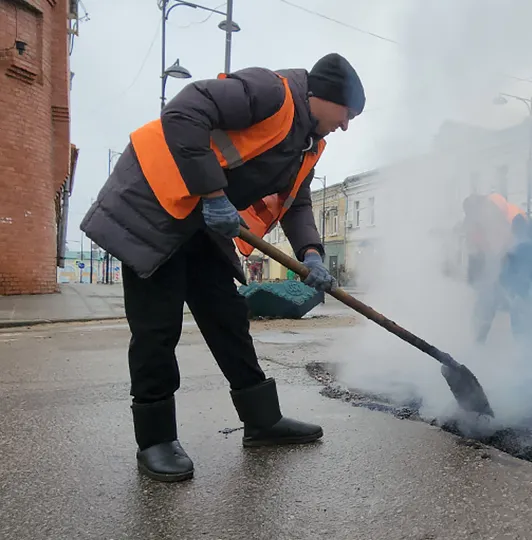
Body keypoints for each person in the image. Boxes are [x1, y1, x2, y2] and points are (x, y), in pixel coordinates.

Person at [79, 53, 365, 483]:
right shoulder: (271, 92)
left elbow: (296, 202)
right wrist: (213, 193)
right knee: (157, 328)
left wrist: (310, 252)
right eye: (347, 113)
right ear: (322, 96)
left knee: (228, 319)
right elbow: (184, 109)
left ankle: (262, 421)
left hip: (198, 223)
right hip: (154, 207)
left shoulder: (310, 144)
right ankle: (156, 440)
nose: (346, 125)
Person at [461, 193, 532, 344]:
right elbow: (478, 251)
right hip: (501, 269)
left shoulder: (514, 218)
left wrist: (521, 278)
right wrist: (476, 277)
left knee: (520, 317)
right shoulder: (481, 221)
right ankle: (477, 346)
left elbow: (525, 249)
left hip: (519, 270)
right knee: (484, 307)